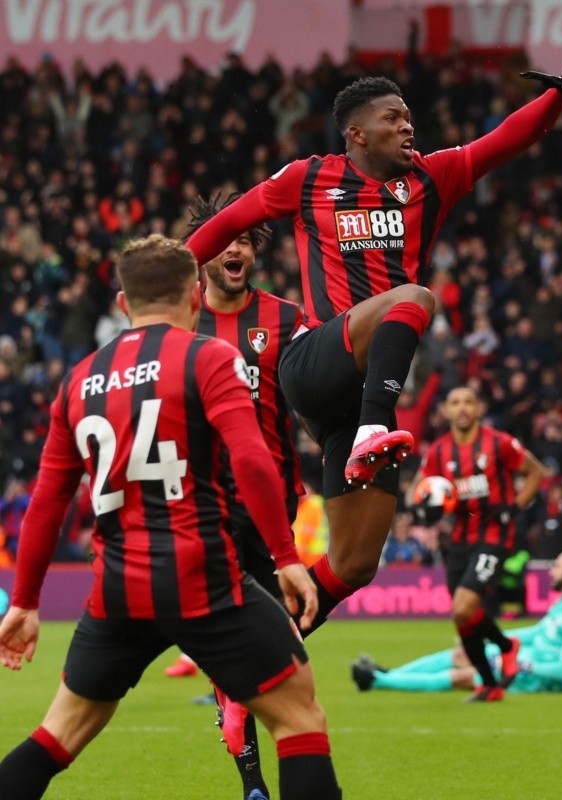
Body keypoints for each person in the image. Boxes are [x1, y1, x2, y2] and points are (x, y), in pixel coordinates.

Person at [185, 51, 562, 635]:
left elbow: (506, 139)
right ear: (356, 132)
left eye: (409, 117)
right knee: (415, 296)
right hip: (316, 361)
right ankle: (374, 429)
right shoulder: (308, 178)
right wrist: (169, 278)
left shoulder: (431, 179)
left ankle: (258, 658)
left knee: (355, 564)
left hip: (356, 401)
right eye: (393, 118)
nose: (408, 126)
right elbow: (228, 223)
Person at [0, 234, 342, 800]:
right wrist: (286, 557)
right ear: (193, 300)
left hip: (116, 589)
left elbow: (47, 502)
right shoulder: (209, 356)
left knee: (57, 734)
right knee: (300, 718)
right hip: (201, 574)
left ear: (121, 304)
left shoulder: (79, 380)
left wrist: (26, 602)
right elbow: (254, 459)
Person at [164, 194, 310, 800]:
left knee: (259, 637)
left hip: (271, 497)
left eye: (247, 241)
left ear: (255, 252)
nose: (236, 249)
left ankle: (233, 699)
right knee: (246, 641)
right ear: (202, 252)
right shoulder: (177, 324)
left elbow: (314, 395)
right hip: (203, 499)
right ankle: (253, 785)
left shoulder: (287, 318)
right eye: (226, 239)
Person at [406, 386, 545, 701]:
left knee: (463, 607)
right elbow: (419, 490)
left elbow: (536, 472)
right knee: (462, 618)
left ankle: (508, 646)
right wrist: (424, 507)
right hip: (457, 541)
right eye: (455, 402)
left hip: (494, 538)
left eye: (469, 401)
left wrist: (514, 507)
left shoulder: (498, 443)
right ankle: (490, 684)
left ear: (479, 408)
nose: (463, 408)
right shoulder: (440, 451)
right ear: (446, 411)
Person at [350, 550, 562, 695]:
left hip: (537, 679)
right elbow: (535, 633)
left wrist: (517, 664)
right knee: (463, 652)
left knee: (467, 675)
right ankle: (390, 672)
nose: (551, 571)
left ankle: (377, 681)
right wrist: (494, 640)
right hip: (526, 659)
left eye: (557, 566)